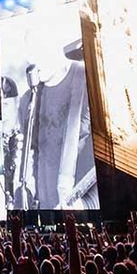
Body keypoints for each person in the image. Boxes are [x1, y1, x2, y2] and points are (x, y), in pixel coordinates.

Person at [10, 16, 95, 210]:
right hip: (42, 210)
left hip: (81, 209)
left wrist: (87, 203)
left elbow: (107, 158)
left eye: (41, 52)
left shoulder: (86, 81)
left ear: (56, 45)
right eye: (31, 57)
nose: (36, 64)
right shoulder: (28, 100)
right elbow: (31, 157)